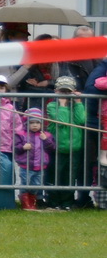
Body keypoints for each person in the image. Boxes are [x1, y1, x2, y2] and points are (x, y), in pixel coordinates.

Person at [46, 76, 91, 208]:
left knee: (70, 178)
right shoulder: (52, 105)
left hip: (74, 148)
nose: (65, 95)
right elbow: (62, 120)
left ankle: (67, 202)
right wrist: (62, 104)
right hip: (57, 149)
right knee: (54, 177)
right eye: (62, 92)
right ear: (56, 92)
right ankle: (53, 202)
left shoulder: (78, 106)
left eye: (68, 92)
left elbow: (82, 120)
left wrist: (77, 102)